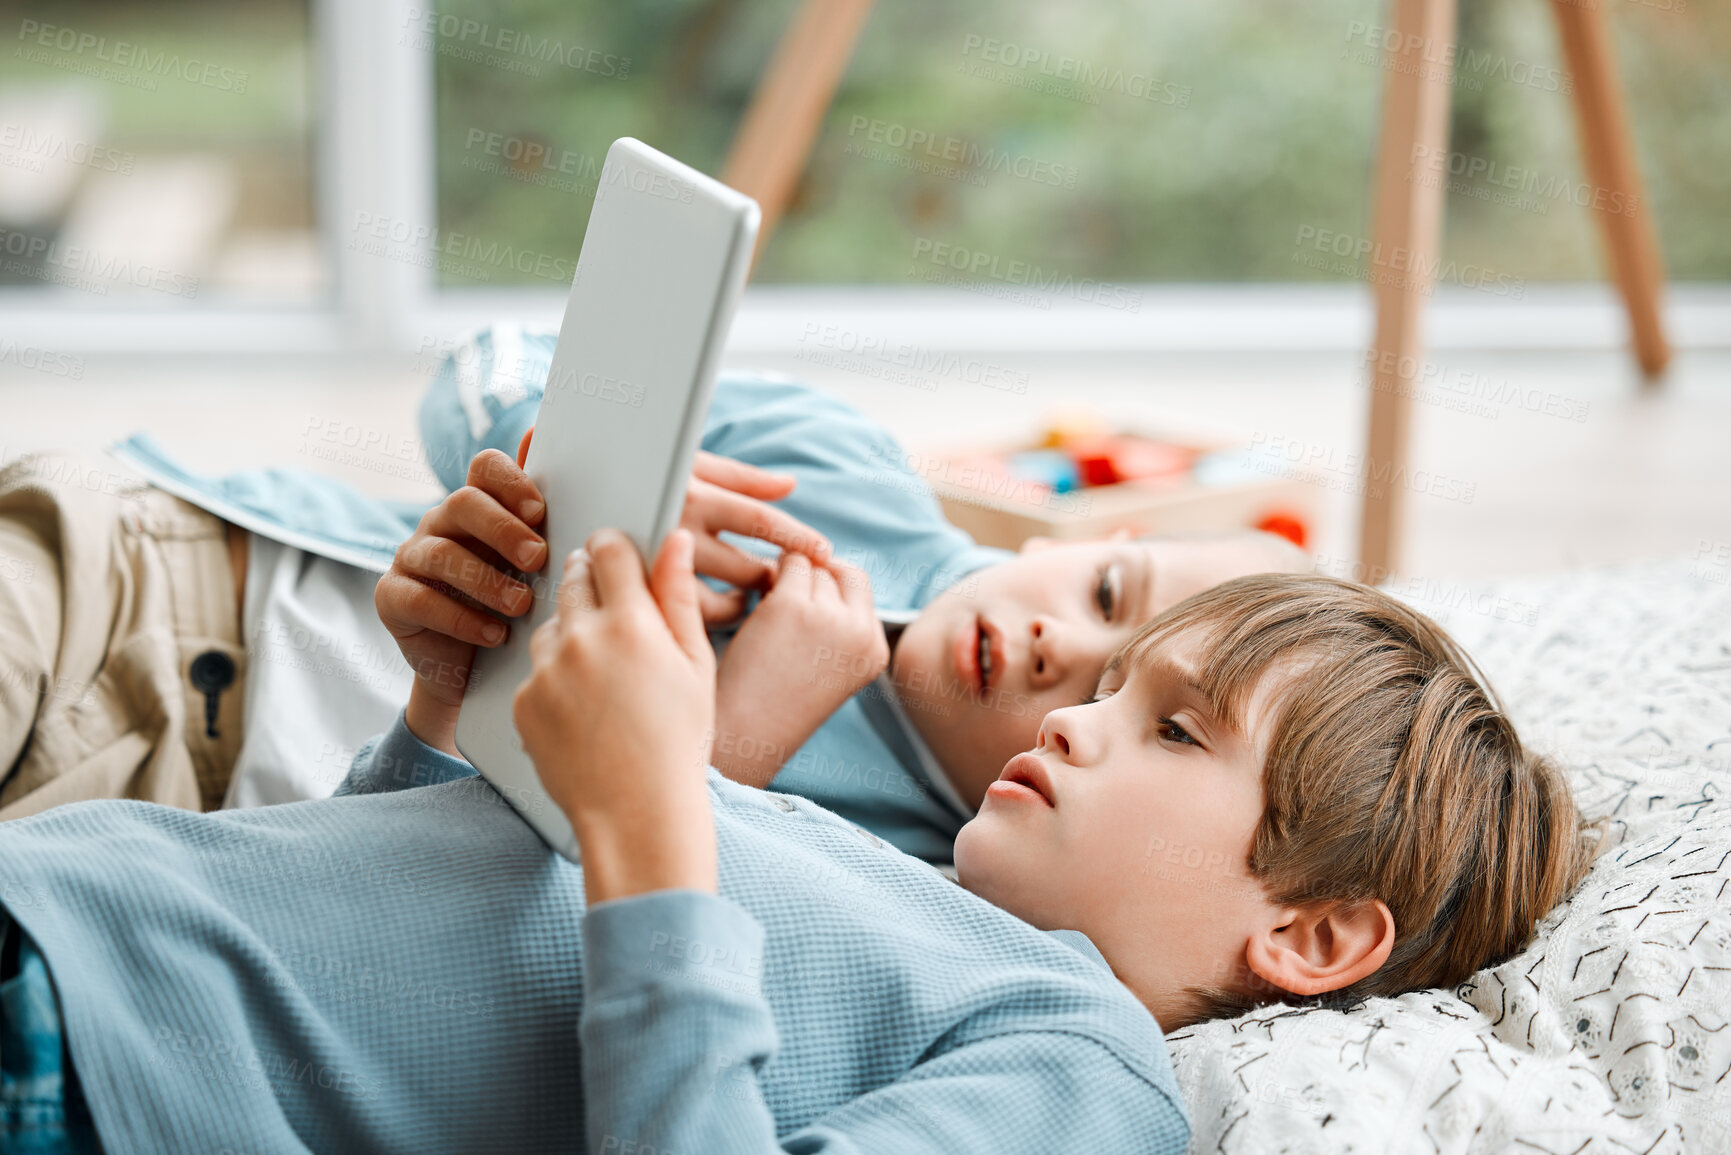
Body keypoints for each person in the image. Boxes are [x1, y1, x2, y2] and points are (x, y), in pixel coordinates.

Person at [0, 533, 1596, 1152]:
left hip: (88, 1064)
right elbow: (383, 934)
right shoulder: (875, 866)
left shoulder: (1079, 1065)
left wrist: (647, 821)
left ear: (1312, 935)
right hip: (79, 909)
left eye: (1173, 729)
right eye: (1115, 687)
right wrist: (447, 715)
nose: (1076, 721)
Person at [0, 324, 1303, 864]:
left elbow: (547, 933)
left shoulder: (914, 867)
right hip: (161, 576)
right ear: (1083, 533)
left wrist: (732, 745)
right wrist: (601, 467)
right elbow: (486, 363)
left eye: (1102, 690)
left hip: (179, 830)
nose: (1049, 645)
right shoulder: (837, 475)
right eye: (1107, 587)